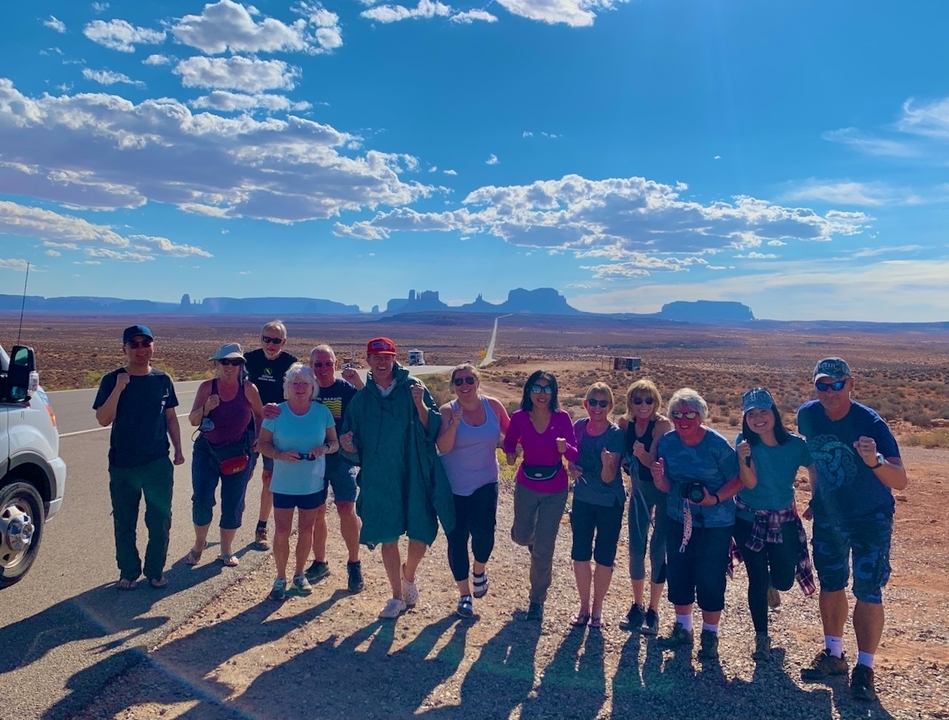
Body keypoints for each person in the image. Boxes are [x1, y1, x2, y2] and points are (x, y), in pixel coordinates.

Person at [797, 358, 908, 701]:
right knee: (831, 583)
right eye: (823, 385)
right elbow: (816, 461)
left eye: (837, 384)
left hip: (869, 517)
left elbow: (900, 480)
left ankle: (865, 667)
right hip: (830, 518)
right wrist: (817, 498)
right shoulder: (808, 415)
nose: (830, 392)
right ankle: (834, 655)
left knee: (868, 589)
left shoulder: (870, 423)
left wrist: (875, 461)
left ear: (851, 384)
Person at [339, 337, 454, 619]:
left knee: (420, 531)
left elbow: (433, 429)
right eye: (376, 357)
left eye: (387, 357)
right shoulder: (361, 400)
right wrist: (348, 446)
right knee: (387, 535)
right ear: (368, 360)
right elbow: (352, 441)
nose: (382, 362)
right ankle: (396, 596)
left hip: (414, 470)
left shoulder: (414, 388)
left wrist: (420, 405)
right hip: (380, 476)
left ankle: (408, 574)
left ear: (394, 358)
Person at [651, 388, 742, 660]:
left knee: (710, 578)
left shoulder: (716, 444)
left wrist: (714, 498)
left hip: (716, 522)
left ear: (701, 416)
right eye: (677, 414)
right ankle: (683, 629)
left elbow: (738, 479)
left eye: (690, 414)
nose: (683, 419)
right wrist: (659, 479)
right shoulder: (668, 442)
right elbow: (667, 485)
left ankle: (710, 635)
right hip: (678, 518)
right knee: (679, 573)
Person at [94, 325, 185, 590]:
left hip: (157, 463)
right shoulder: (112, 380)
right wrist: (119, 388)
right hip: (123, 465)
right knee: (124, 521)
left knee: (160, 521)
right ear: (124, 349)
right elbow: (103, 419)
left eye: (146, 343)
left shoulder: (162, 380)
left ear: (153, 346)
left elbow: (170, 417)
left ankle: (155, 571)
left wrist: (178, 449)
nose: (141, 349)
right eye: (134, 344)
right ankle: (128, 571)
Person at [734, 387, 817, 661]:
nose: (758, 418)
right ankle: (762, 638)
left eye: (763, 411)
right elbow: (750, 483)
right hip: (748, 519)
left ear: (774, 413)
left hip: (783, 520)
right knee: (756, 579)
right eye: (751, 414)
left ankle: (773, 584)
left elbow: (813, 467)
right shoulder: (744, 443)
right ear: (745, 418)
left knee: (784, 580)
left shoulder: (795, 445)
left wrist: (816, 499)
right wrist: (743, 459)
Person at [257, 363, 338, 600]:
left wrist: (324, 448)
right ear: (287, 387)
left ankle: (299, 575)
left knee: (306, 530)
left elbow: (334, 443)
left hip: (311, 483)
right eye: (295, 383)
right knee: (282, 531)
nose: (300, 388)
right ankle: (280, 578)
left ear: (312, 387)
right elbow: (261, 444)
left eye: (305, 383)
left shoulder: (322, 412)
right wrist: (280, 455)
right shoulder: (276, 413)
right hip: (283, 482)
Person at [503, 370, 578, 622]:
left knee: (544, 549)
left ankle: (537, 600)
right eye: (537, 388)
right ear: (529, 391)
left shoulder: (562, 417)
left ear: (554, 392)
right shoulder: (519, 417)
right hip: (526, 485)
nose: (542, 394)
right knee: (522, 536)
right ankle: (528, 538)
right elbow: (509, 442)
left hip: (555, 488)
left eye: (547, 389)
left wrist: (565, 448)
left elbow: (574, 453)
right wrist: (511, 453)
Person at [437, 363, 510, 618]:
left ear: (477, 382)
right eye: (458, 381)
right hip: (453, 487)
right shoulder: (447, 411)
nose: (464, 385)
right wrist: (454, 425)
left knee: (485, 535)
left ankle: (479, 570)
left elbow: (512, 434)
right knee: (457, 539)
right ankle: (464, 595)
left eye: (469, 380)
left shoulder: (494, 406)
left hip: (486, 482)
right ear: (453, 386)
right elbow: (443, 448)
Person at [186, 343, 264, 567]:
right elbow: (193, 420)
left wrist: (259, 438)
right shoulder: (206, 388)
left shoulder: (248, 389)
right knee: (202, 499)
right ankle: (199, 544)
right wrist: (206, 409)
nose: (229, 366)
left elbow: (259, 414)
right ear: (217, 365)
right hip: (207, 451)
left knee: (233, 501)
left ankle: (226, 549)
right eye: (225, 362)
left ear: (241, 366)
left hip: (238, 452)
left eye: (235, 362)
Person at [306, 344, 365, 593]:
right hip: (314, 459)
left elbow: (368, 404)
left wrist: (358, 382)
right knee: (317, 512)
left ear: (336, 364)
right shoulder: (307, 389)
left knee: (346, 508)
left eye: (328, 364)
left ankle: (354, 564)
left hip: (342, 459)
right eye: (317, 364)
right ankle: (320, 562)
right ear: (311, 366)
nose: (323, 369)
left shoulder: (346, 389)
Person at [616, 379, 673, 635]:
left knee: (658, 549)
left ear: (656, 402)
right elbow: (620, 454)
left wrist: (641, 455)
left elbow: (654, 461)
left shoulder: (661, 425)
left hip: (662, 491)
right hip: (639, 492)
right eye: (638, 400)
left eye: (648, 400)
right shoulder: (624, 424)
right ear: (630, 401)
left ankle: (653, 610)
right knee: (636, 548)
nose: (643, 405)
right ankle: (636, 606)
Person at [567, 382, 625, 629]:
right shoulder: (579, 427)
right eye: (593, 402)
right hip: (582, 499)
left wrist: (607, 464)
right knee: (580, 553)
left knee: (604, 555)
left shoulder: (615, 435)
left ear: (610, 406)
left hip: (609, 502)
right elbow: (571, 459)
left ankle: (597, 609)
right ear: (585, 404)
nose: (597, 407)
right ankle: (584, 607)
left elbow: (609, 478)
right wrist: (572, 467)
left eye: (603, 403)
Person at [244, 321, 298, 550]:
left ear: (283, 342)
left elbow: (297, 392)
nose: (271, 344)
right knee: (242, 474)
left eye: (276, 340)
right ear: (261, 339)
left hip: (275, 430)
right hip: (247, 426)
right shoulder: (248, 360)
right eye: (267, 339)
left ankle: (262, 526)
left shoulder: (291, 364)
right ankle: (230, 522)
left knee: (269, 477)